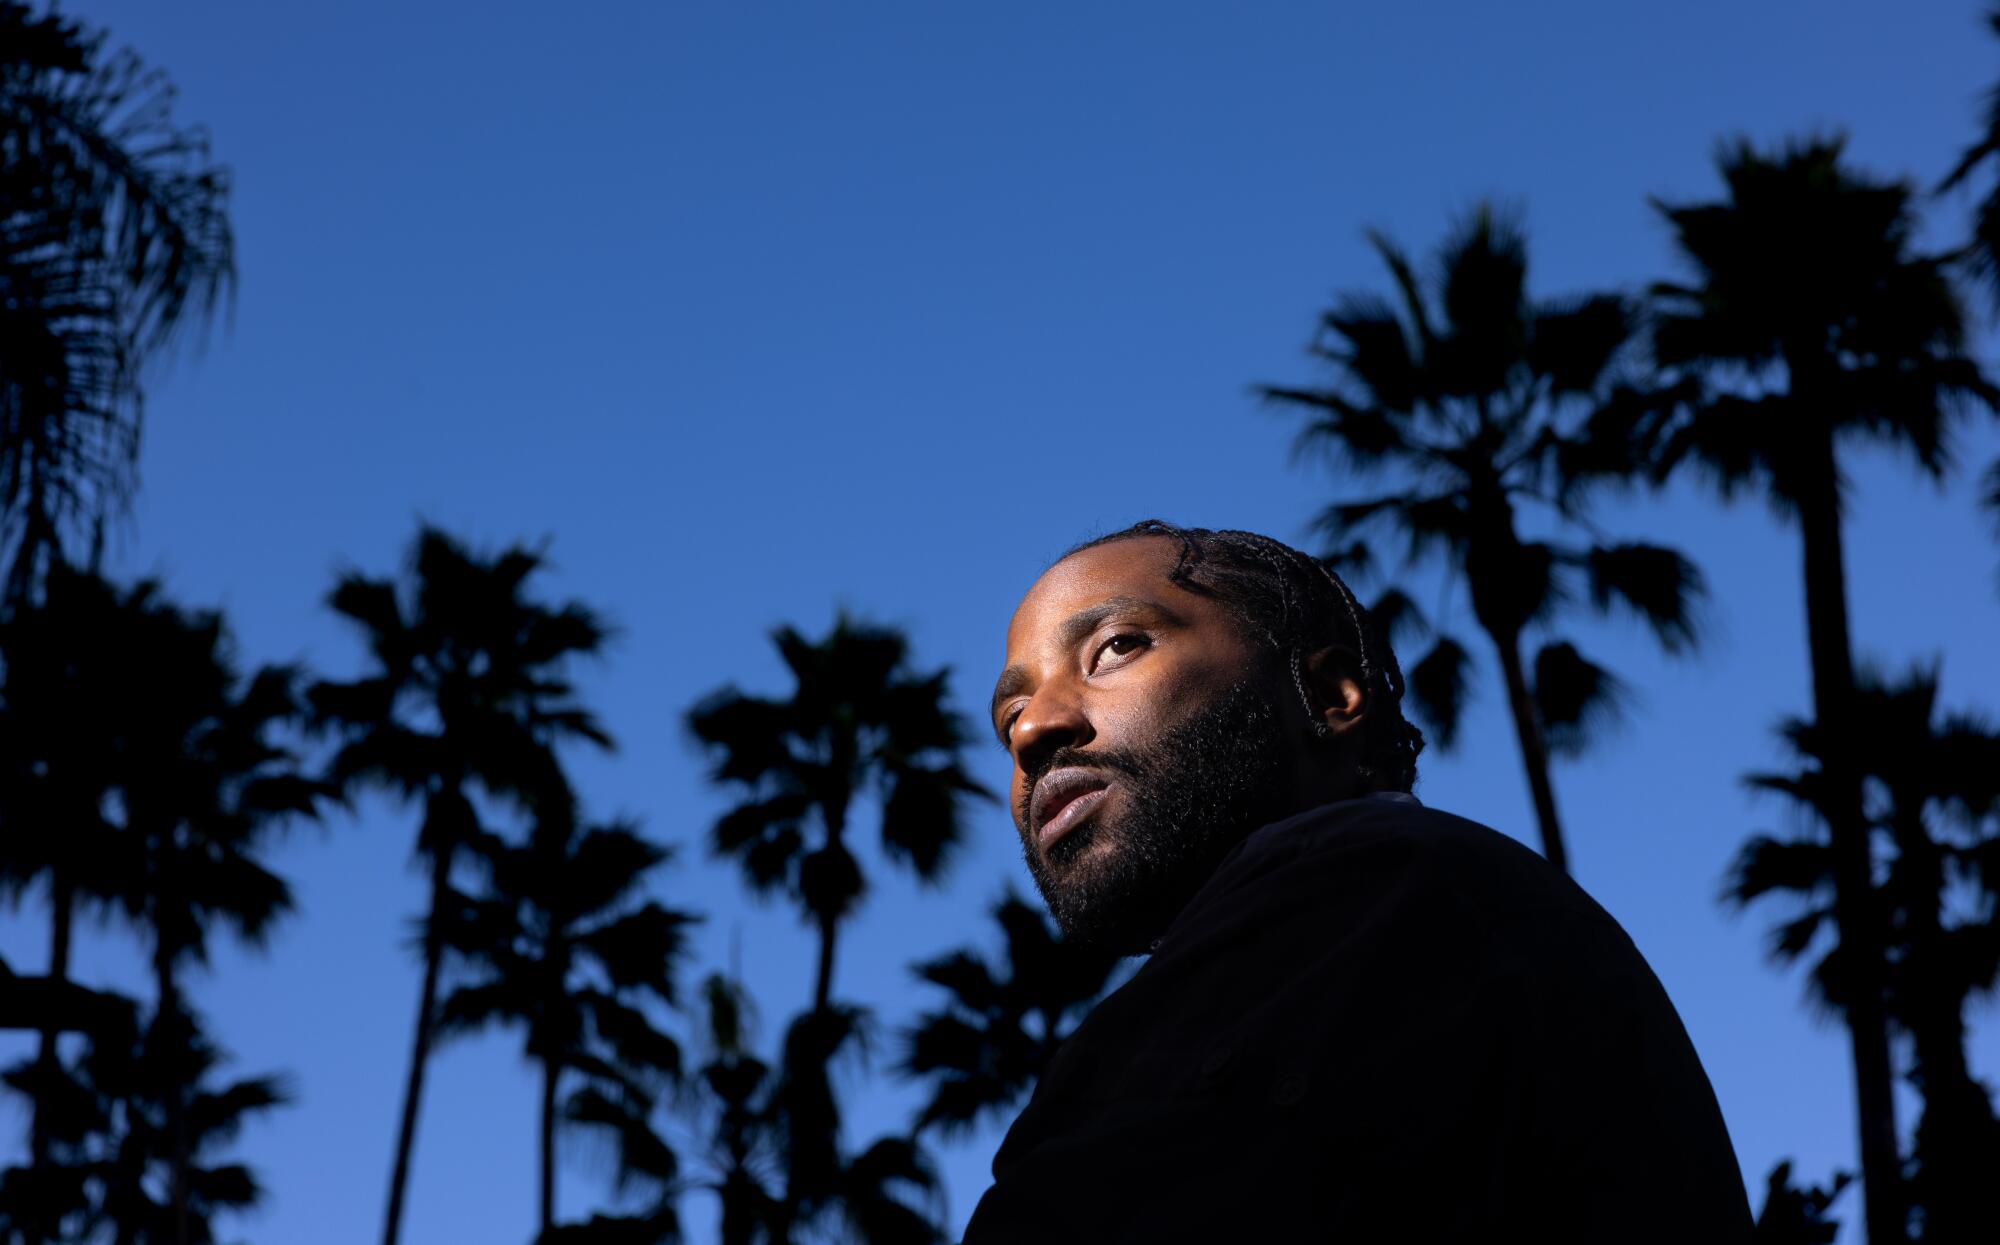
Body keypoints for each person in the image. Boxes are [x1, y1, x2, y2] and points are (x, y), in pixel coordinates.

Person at [962, 520, 1753, 1243]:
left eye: (1116, 647)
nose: (1032, 732)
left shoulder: (1389, 891)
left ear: (1333, 695)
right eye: (1010, 718)